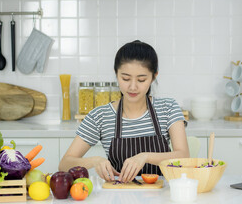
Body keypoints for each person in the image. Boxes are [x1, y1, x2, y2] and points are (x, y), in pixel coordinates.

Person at [59, 40, 189, 183]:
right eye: (125, 78)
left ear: (154, 77)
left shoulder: (168, 108)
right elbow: (64, 165)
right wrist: (95, 161)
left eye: (141, 80)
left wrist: (145, 157)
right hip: (119, 196)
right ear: (116, 74)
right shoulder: (100, 116)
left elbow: (183, 157)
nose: (132, 87)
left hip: (161, 195)